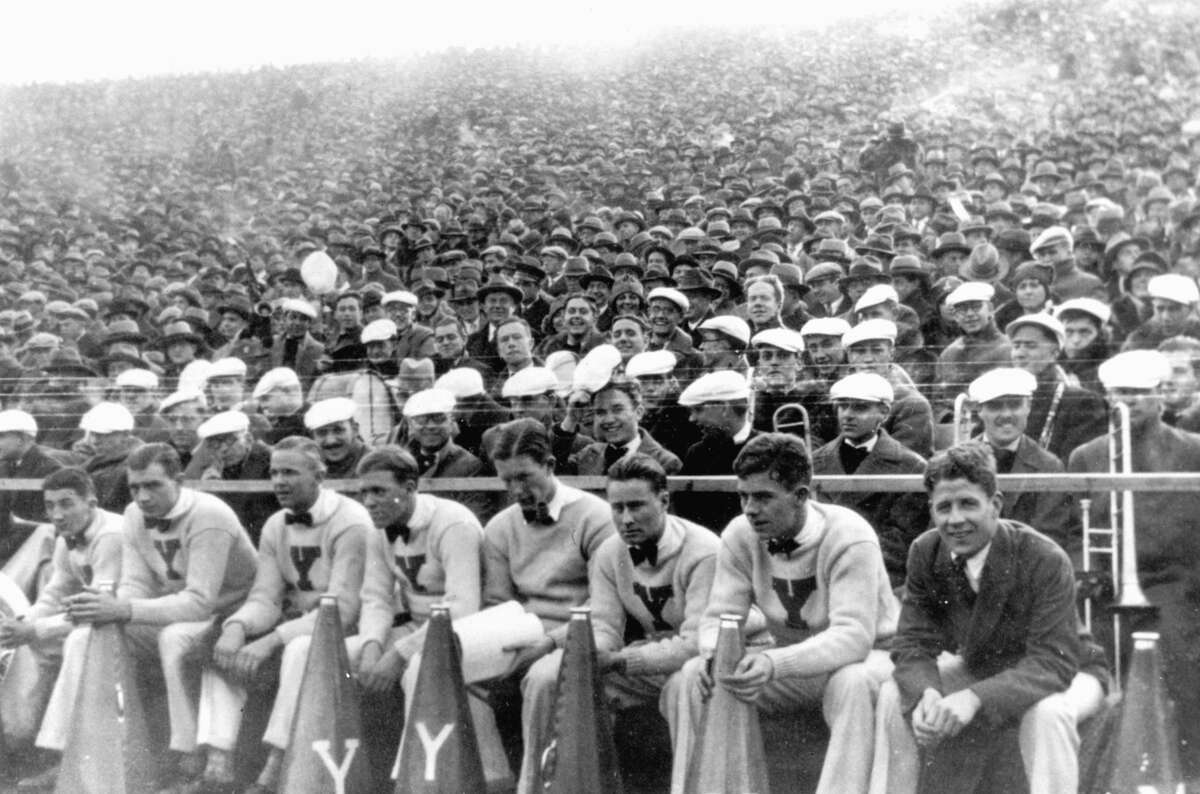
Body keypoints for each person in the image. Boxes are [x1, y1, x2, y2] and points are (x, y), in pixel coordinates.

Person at [666, 433, 898, 794]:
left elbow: (853, 637)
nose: (749, 509)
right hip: (796, 662)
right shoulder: (741, 534)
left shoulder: (850, 535)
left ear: (802, 495)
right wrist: (714, 654)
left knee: (850, 683)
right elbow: (720, 616)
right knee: (694, 676)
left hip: (871, 656)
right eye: (743, 496)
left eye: (763, 497)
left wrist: (773, 663)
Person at [872, 442, 1103, 794]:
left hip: (1071, 672)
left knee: (1048, 715)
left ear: (995, 505)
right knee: (895, 694)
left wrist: (975, 698)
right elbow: (913, 642)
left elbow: (1053, 663)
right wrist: (928, 693)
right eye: (943, 507)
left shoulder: (1044, 556)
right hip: (984, 668)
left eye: (968, 504)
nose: (955, 520)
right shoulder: (926, 550)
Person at [23, 444, 257, 791]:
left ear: (179, 481)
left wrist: (123, 610)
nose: (143, 497)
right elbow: (135, 586)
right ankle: (66, 752)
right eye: (135, 488)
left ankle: (186, 754)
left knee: (173, 638)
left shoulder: (210, 515)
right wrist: (111, 613)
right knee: (84, 637)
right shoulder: (134, 515)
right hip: (175, 610)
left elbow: (200, 602)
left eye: (153, 485)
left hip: (231, 611)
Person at [517, 454, 718, 794]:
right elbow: (605, 626)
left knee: (683, 684)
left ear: (664, 500)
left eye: (637, 506)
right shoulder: (611, 551)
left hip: (704, 658)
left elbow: (698, 641)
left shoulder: (704, 551)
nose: (626, 519)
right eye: (617, 507)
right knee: (546, 677)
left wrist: (620, 661)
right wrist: (586, 656)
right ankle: (538, 787)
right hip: (651, 658)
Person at [189, 436, 371, 793]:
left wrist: (271, 639)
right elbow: (266, 596)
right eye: (274, 472)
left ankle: (276, 761)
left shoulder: (351, 522)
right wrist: (237, 627)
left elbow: (345, 611)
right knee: (219, 642)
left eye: (290, 472)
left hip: (347, 627)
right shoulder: (276, 523)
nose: (279, 482)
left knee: (298, 651)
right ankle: (218, 761)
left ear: (319, 475)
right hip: (298, 621)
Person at [1068, 350, 1200, 775]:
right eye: (1121, 393)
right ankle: (1101, 770)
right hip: (1105, 588)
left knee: (1177, 657)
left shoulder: (1194, 451)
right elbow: (1072, 530)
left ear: (1161, 395)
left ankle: (1184, 769)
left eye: (1141, 393)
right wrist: (1083, 568)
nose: (1131, 401)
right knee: (1094, 667)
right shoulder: (1086, 455)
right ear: (1108, 397)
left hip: (1174, 585)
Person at [473, 419, 615, 785]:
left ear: (550, 465)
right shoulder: (501, 527)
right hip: (524, 633)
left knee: (538, 680)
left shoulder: (594, 517)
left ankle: (535, 785)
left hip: (582, 634)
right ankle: (496, 780)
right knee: (465, 672)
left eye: (525, 477)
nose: (517, 489)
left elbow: (604, 606)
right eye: (506, 481)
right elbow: (499, 602)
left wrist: (548, 643)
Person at [0, 469, 123, 756]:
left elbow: (100, 609)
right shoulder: (65, 538)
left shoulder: (111, 536)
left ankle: (59, 751)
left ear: (90, 504)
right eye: (50, 506)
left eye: (66, 504)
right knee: (24, 645)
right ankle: (16, 738)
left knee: (76, 642)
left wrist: (34, 630)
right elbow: (55, 593)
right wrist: (22, 627)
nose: (56, 514)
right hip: (98, 621)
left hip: (127, 621)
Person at [811, 373, 928, 590]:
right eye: (842, 406)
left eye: (860, 408)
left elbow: (900, 540)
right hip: (820, 573)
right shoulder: (815, 462)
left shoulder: (911, 467)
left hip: (878, 577)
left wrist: (850, 560)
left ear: (883, 412)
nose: (847, 415)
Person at [966, 368, 1076, 552]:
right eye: (995, 406)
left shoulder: (1049, 466)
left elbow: (1049, 536)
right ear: (979, 410)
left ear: (1028, 407)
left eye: (1015, 405)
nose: (1007, 414)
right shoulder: (955, 461)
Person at [1007, 313, 1108, 463]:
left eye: (1030, 346)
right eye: (1016, 346)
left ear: (1054, 353)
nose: (1020, 354)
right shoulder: (1001, 399)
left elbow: (1077, 465)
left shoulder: (1082, 402)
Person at [841, 319, 934, 458]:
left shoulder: (912, 404)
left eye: (877, 351)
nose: (868, 359)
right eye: (859, 351)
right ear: (849, 357)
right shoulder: (840, 398)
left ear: (891, 353)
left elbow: (902, 462)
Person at [553, 376, 681, 475]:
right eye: (600, 412)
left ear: (638, 412)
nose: (608, 420)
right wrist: (571, 419)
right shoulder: (588, 455)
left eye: (617, 409)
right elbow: (552, 470)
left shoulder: (665, 462)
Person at [183, 410, 275, 545]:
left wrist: (220, 492)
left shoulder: (269, 461)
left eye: (229, 442)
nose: (222, 450)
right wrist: (208, 489)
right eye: (214, 444)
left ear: (248, 439)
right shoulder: (213, 465)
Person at [935, 282, 1012, 417]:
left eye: (976, 307)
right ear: (956, 316)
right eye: (962, 309)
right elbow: (938, 401)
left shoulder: (1010, 349)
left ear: (990, 309)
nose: (969, 314)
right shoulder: (949, 354)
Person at [0, 409, 65, 561]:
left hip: (31, 551)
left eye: (1, 436)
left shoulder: (50, 470)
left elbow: (46, 526)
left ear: (21, 439)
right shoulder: (4, 466)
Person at [304, 397, 368, 479]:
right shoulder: (311, 466)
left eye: (338, 430)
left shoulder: (375, 464)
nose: (331, 441)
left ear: (355, 430)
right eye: (322, 433)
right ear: (313, 437)